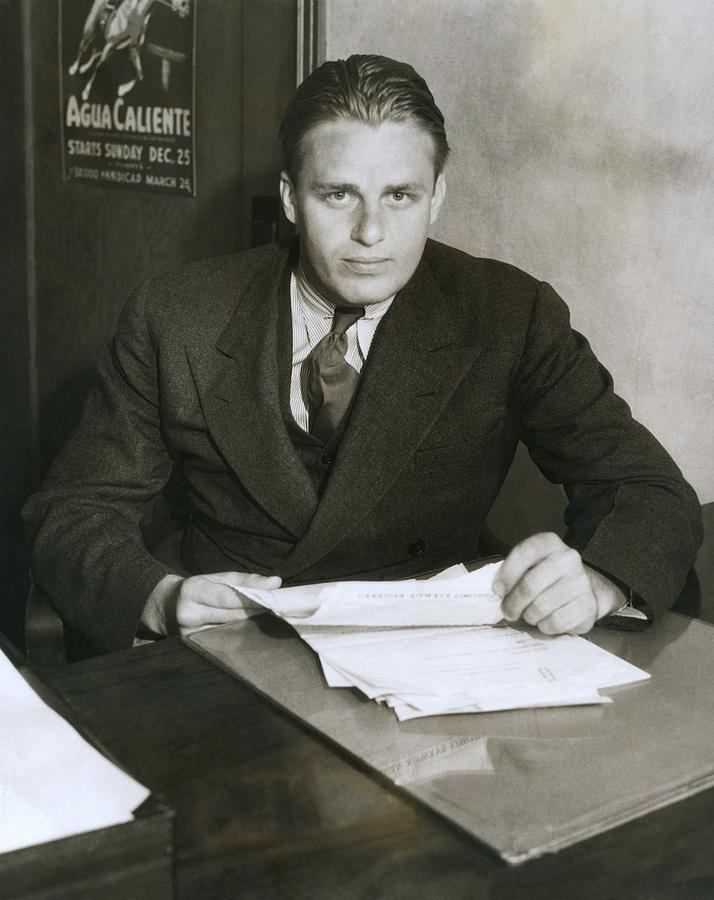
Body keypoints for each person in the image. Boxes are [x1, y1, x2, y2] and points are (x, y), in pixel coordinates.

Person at [23, 54, 702, 655]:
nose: (371, 233)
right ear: (291, 198)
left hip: (431, 664)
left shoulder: (508, 314)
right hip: (231, 657)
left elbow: (648, 490)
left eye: (400, 196)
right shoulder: (178, 314)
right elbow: (75, 510)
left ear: (436, 196)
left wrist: (599, 582)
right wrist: (160, 597)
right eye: (337, 193)